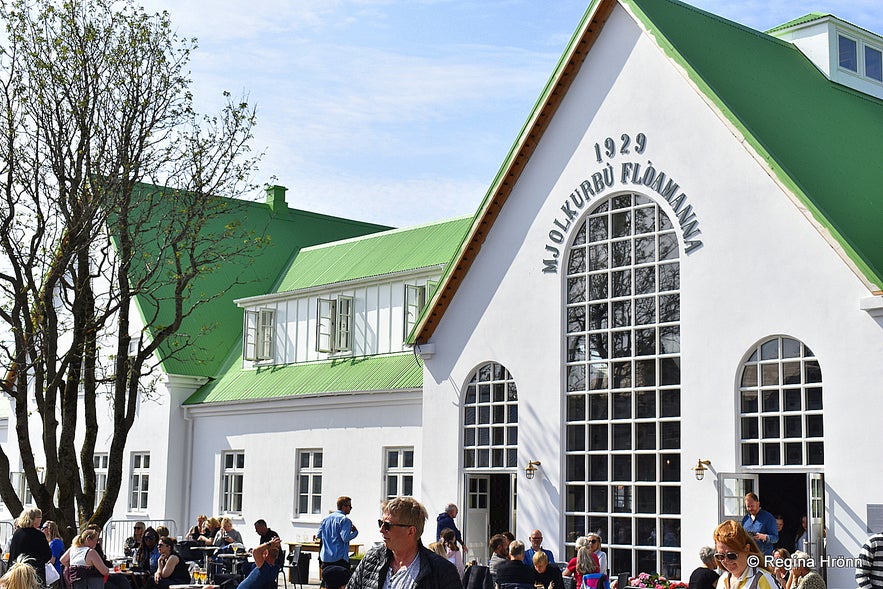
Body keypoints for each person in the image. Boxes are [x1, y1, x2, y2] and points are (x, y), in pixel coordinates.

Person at [348, 496, 461, 589]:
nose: (381, 530)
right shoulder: (372, 558)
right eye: (380, 523)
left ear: (411, 531)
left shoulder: (442, 571)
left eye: (387, 525)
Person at [712, 520, 778, 589]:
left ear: (746, 549)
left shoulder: (762, 579)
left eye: (731, 555)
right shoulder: (723, 579)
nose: (726, 560)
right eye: (720, 556)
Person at [7, 508, 52, 586]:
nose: (41, 519)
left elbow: (12, 554)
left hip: (17, 574)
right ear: (33, 519)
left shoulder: (17, 534)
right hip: (34, 574)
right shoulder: (39, 535)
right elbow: (47, 555)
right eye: (39, 517)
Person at [318, 496, 359, 574]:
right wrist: (355, 532)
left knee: (327, 584)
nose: (351, 508)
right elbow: (345, 538)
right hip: (339, 559)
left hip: (326, 558)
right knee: (341, 584)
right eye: (349, 506)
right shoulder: (345, 520)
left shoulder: (325, 519)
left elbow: (319, 535)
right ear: (344, 507)